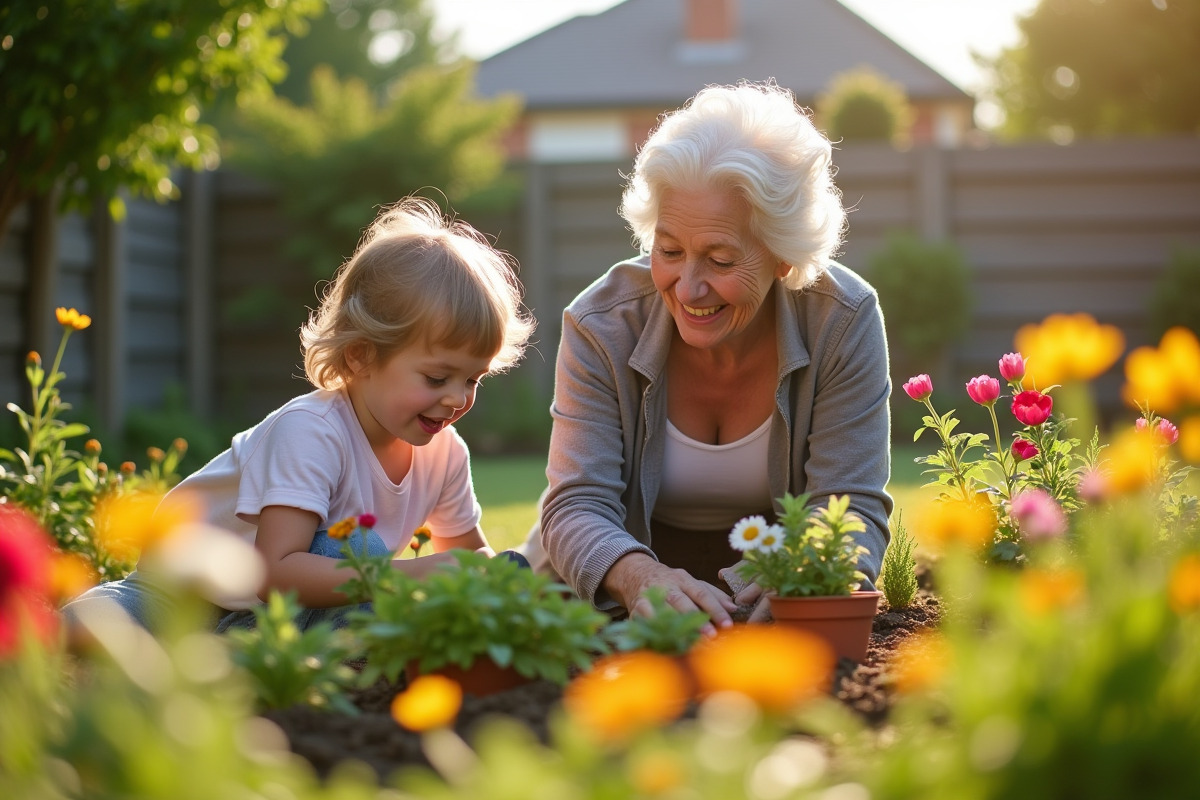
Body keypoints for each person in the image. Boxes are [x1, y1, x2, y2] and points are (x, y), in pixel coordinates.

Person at [519, 81, 892, 634]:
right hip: (610, 598)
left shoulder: (842, 318)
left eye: (719, 260)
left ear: (783, 257)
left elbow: (850, 507)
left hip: (768, 600)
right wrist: (641, 577)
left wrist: (801, 570)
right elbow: (575, 506)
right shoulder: (601, 324)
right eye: (668, 252)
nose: (687, 289)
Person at [65, 197, 535, 633]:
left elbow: (468, 556)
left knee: (372, 591)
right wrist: (409, 574)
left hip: (277, 616)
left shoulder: (445, 454)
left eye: (473, 379)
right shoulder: (311, 432)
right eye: (437, 378)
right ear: (360, 358)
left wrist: (502, 586)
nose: (457, 399)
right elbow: (275, 569)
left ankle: (251, 658)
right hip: (187, 591)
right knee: (86, 631)